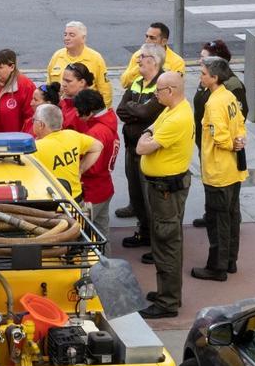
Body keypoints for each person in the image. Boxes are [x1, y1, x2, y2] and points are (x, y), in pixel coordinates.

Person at [136, 72, 194, 319]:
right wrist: (148, 135)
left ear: (170, 91)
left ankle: (167, 301)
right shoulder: (174, 108)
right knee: (167, 239)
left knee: (166, 241)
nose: (154, 94)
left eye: (158, 90)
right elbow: (150, 129)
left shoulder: (176, 118)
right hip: (165, 188)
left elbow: (141, 146)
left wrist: (147, 138)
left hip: (166, 191)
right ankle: (168, 292)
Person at [192, 57, 247, 282]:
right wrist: (239, 140)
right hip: (233, 169)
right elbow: (240, 122)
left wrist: (229, 143)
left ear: (214, 78)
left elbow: (218, 134)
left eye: (203, 73)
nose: (200, 77)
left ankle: (217, 267)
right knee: (232, 217)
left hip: (217, 171)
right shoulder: (229, 96)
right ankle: (230, 260)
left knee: (217, 222)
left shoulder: (214, 103)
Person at [190, 40, 248, 228]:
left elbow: (240, 115)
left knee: (225, 188)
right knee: (212, 183)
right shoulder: (206, 83)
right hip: (206, 139)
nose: (200, 63)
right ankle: (211, 214)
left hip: (221, 147)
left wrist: (234, 141)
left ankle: (228, 219)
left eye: (204, 59)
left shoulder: (231, 86)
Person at [115, 45, 167, 248]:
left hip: (149, 152)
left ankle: (156, 240)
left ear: (153, 61)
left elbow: (148, 113)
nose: (137, 60)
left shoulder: (162, 84)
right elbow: (121, 110)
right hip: (132, 149)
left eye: (142, 57)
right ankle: (144, 232)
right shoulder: (136, 82)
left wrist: (135, 110)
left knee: (150, 199)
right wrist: (137, 110)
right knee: (136, 194)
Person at [73, 89, 119, 249]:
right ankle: (107, 270)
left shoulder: (96, 132)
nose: (78, 116)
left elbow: (91, 167)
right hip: (104, 187)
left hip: (91, 191)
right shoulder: (108, 124)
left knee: (82, 238)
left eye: (80, 113)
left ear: (90, 112)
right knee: (102, 235)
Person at [30, 104, 103, 201]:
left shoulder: (35, 148)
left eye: (33, 120)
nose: (32, 123)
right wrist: (80, 169)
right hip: (76, 198)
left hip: (51, 203)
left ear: (41, 125)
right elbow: (98, 146)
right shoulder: (72, 135)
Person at [46, 21, 111, 110]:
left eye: (71, 35)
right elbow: (49, 85)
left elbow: (105, 91)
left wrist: (99, 115)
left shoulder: (95, 58)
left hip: (85, 112)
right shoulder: (57, 56)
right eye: (65, 35)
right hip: (61, 111)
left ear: (83, 38)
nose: (67, 38)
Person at [118, 23, 186, 89]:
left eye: (152, 38)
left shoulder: (177, 62)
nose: (147, 41)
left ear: (164, 41)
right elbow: (124, 83)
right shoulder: (138, 55)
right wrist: (139, 67)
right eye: (146, 36)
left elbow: (175, 88)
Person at [58, 62, 95, 132]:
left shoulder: (86, 110)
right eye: (63, 80)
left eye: (68, 81)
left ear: (82, 82)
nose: (63, 84)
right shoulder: (63, 102)